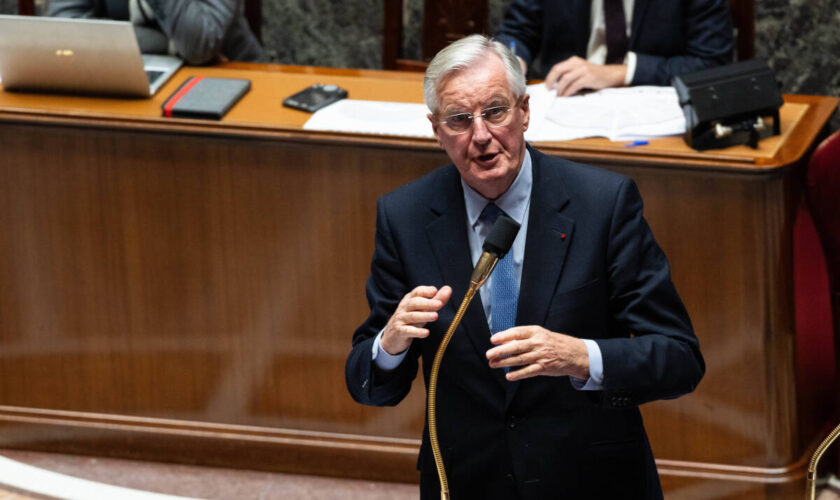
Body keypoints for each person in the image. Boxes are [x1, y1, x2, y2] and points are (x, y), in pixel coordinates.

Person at [345, 34, 704, 499]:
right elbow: (370, 385)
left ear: (524, 111)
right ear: (436, 130)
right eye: (459, 119)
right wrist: (389, 345)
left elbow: (679, 359)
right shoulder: (406, 216)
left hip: (591, 478)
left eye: (495, 111)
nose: (480, 136)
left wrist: (581, 358)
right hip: (469, 479)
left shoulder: (603, 205)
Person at [494, 0, 734, 96]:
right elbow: (516, 33)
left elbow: (712, 63)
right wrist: (510, 61)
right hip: (564, 101)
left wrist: (621, 73)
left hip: (653, 109)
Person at [48, 0, 264, 65]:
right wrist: (167, 46)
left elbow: (198, 44)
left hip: (227, 79)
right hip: (125, 73)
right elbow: (66, 27)